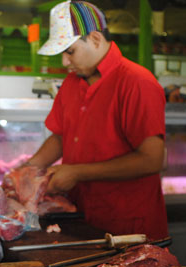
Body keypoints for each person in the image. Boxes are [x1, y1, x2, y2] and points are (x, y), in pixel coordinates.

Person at [26, 1, 168, 240]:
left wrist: (77, 173)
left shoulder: (136, 82)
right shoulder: (72, 83)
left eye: (70, 51)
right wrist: (26, 173)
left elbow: (152, 160)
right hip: (80, 217)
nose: (65, 62)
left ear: (95, 39)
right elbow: (60, 136)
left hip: (128, 225)